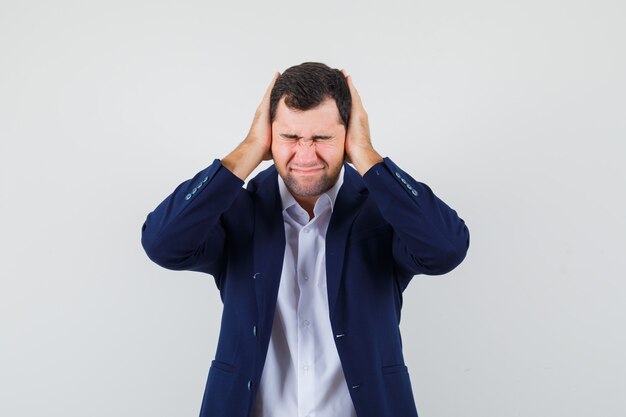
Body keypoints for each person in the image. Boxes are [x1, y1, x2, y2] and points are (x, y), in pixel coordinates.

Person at [141, 62, 470, 417]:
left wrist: (367, 156)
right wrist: (248, 149)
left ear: (348, 134)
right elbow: (162, 243)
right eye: (290, 137)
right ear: (270, 135)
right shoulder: (239, 210)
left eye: (323, 138)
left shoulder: (381, 210)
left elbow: (446, 248)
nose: (306, 154)